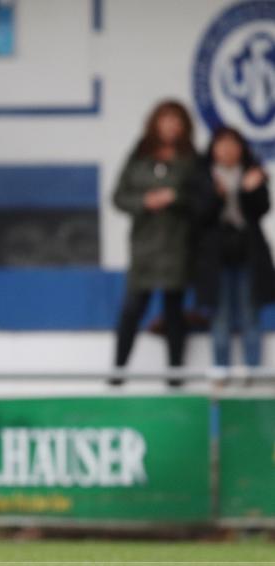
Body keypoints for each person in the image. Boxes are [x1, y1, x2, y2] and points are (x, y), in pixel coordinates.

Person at [111, 100, 205, 385]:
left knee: (174, 313)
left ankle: (175, 377)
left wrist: (176, 199)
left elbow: (203, 201)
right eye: (166, 119)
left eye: (176, 120)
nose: (171, 126)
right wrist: (145, 201)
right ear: (155, 123)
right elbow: (119, 196)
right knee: (131, 311)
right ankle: (116, 374)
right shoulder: (139, 155)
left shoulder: (192, 160)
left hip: (178, 248)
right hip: (145, 249)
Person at [195, 127, 275, 382]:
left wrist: (248, 189)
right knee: (220, 319)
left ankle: (253, 375)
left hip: (248, 256)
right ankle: (221, 376)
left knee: (251, 316)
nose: (228, 150)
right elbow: (200, 216)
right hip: (216, 260)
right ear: (213, 148)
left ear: (242, 149)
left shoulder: (253, 174)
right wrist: (217, 195)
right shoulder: (202, 177)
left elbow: (261, 210)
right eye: (222, 144)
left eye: (233, 144)